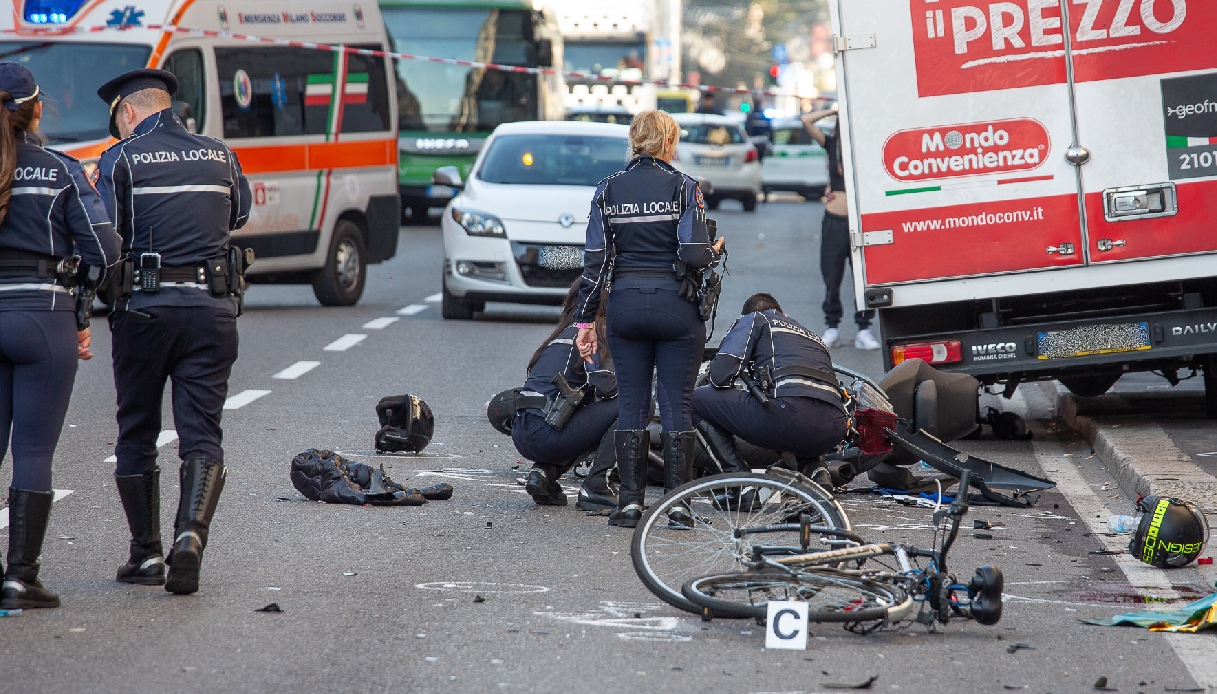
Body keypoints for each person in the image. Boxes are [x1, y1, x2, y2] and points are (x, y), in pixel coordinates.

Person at [95, 69, 251, 595]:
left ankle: (145, 556)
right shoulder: (220, 153)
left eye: (117, 119)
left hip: (145, 312)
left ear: (130, 112)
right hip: (212, 311)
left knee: (138, 430)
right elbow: (242, 211)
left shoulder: (121, 158)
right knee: (202, 434)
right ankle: (191, 534)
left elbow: (107, 238)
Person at [0, 62, 121, 609]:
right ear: (37, 111)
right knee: (32, 450)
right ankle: (20, 577)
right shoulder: (60, 169)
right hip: (41, 315)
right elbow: (104, 251)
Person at [574, 110, 724, 528]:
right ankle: (677, 505)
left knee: (632, 405)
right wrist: (715, 249)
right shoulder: (684, 187)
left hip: (624, 308)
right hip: (676, 308)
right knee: (677, 405)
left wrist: (585, 325)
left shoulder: (607, 190)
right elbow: (695, 253)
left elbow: (595, 264)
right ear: (668, 143)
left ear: (634, 141)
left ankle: (629, 505)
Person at [693, 293, 847, 487]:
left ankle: (739, 485)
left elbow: (719, 377)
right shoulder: (812, 335)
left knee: (694, 400)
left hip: (788, 416)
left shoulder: (756, 319)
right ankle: (818, 473)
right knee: (800, 409)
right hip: (834, 429)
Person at [512, 279, 619, 510]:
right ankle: (597, 485)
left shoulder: (558, 336)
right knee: (637, 406)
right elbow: (608, 388)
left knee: (585, 409)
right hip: (546, 435)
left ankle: (545, 473)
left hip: (520, 431)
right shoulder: (597, 334)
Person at [801, 105, 879, 350]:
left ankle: (864, 329)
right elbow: (806, 120)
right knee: (831, 275)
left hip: (859, 221)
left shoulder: (864, 147)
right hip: (834, 220)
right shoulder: (831, 143)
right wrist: (833, 110)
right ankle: (832, 327)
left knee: (862, 277)